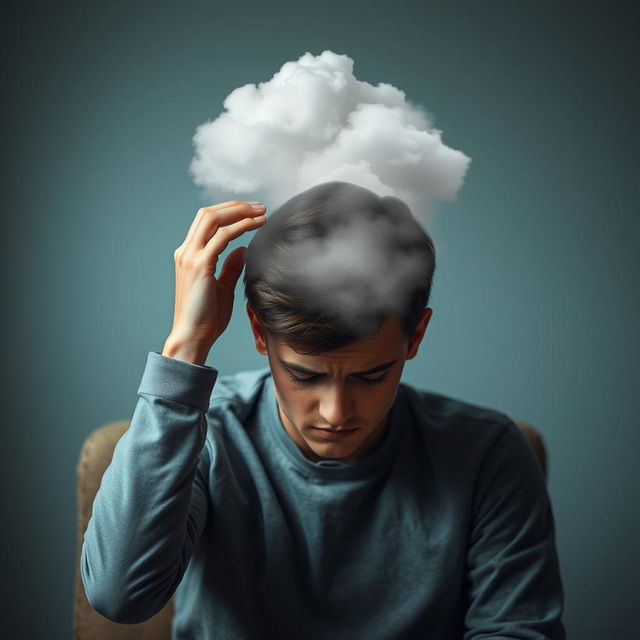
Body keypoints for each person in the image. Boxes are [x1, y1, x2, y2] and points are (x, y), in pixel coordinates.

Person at [81, 182, 566, 639]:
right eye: (306, 376)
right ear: (258, 332)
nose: (336, 413)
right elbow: (120, 598)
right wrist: (185, 348)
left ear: (415, 336)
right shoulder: (206, 437)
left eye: (370, 376)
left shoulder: (488, 453)